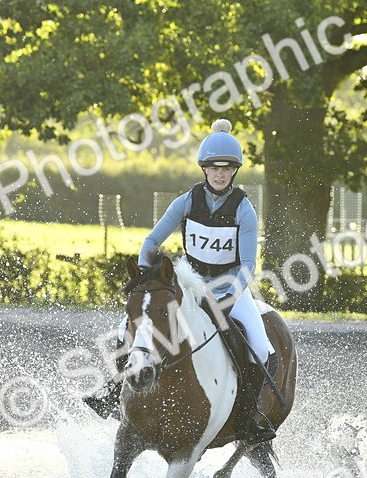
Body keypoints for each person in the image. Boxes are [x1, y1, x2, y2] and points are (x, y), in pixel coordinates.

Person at [85, 119, 277, 443]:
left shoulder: (244, 209)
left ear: (234, 171)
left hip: (230, 285)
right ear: (204, 169)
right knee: (126, 327)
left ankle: (248, 417)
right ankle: (115, 388)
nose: (220, 174)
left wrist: (229, 299)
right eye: (214, 168)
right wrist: (147, 279)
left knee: (259, 345)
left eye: (227, 168)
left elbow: (248, 264)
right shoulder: (187, 201)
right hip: (190, 280)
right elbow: (151, 243)